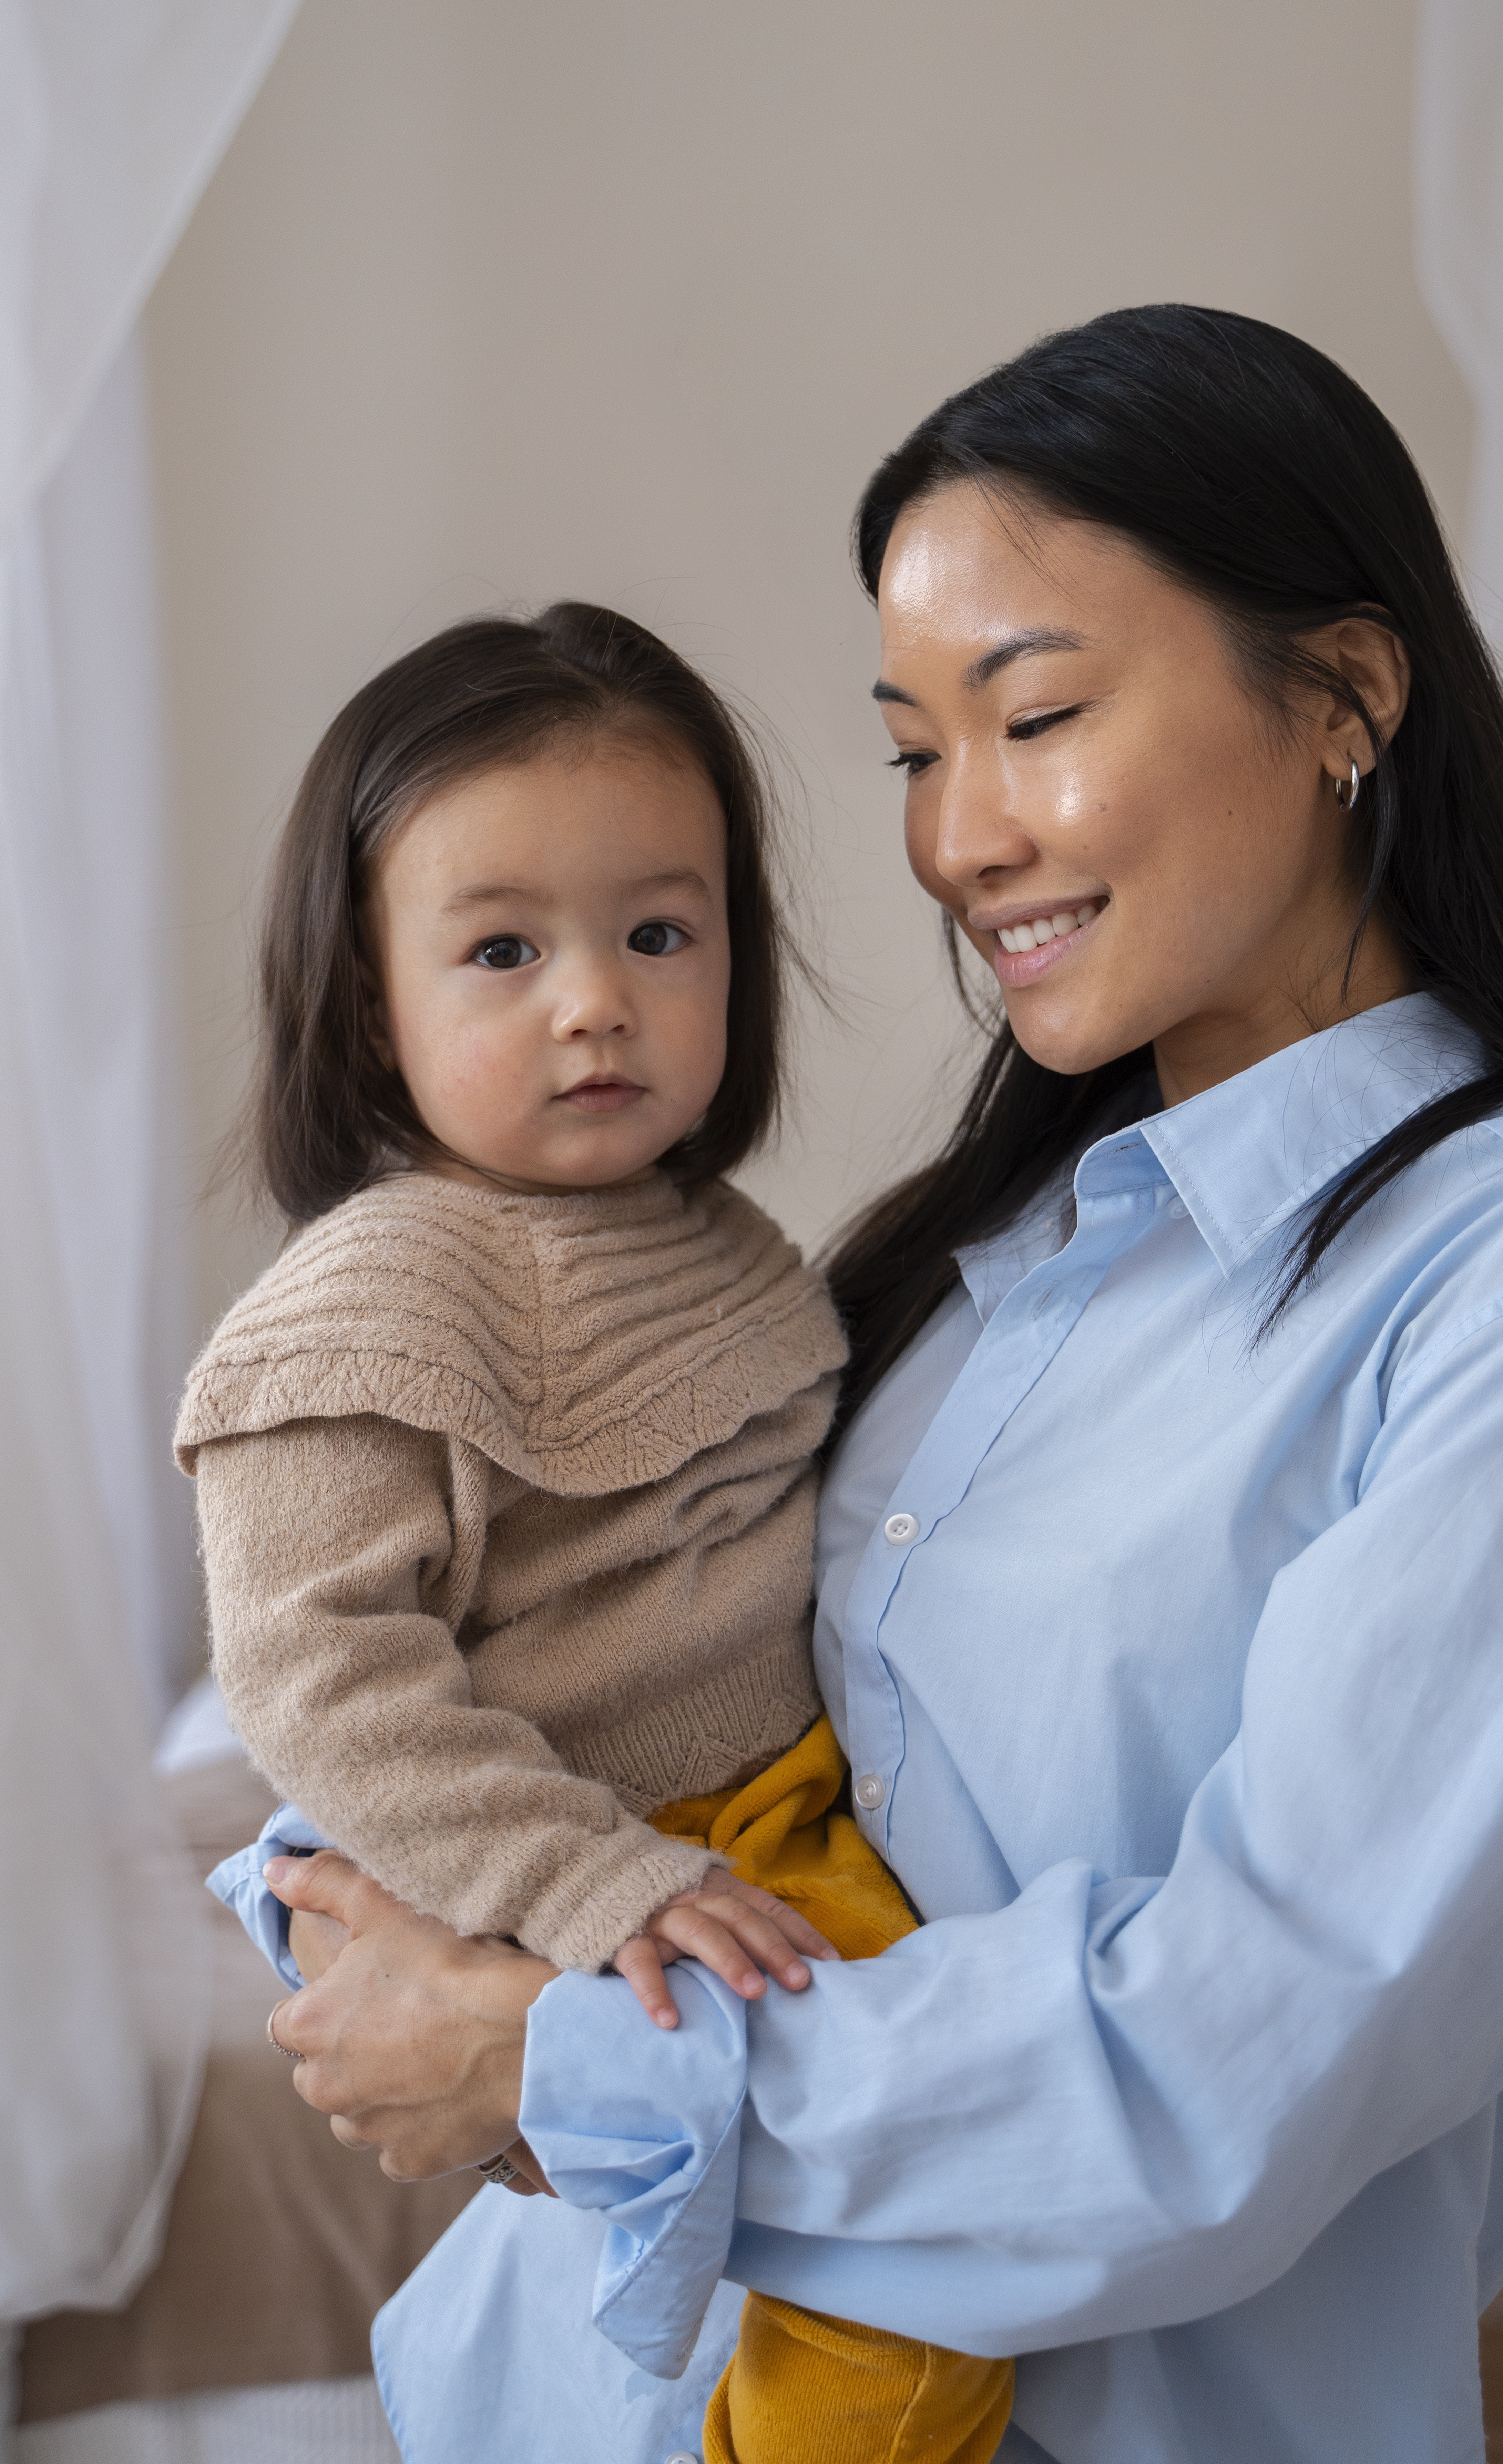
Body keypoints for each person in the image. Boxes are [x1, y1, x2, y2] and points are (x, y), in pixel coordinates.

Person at [252, 309, 1503, 2464]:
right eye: (914, 751)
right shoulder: (966, 1266)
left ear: (1347, 696)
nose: (958, 837)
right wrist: (360, 1915)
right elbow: (599, 1690)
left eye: (1037, 715)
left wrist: (549, 2061)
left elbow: (1235, 2067)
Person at [186, 604, 1015, 2464]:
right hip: (624, 1846)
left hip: (787, 1806)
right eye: (503, 950)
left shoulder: (716, 1246)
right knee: (927, 2259)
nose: (595, 1002)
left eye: (659, 933)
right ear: (370, 1007)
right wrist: (588, 1886)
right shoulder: (364, 1308)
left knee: (934, 2196)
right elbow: (318, 1678)